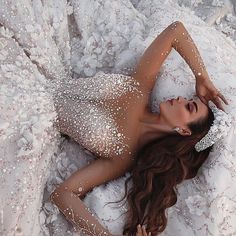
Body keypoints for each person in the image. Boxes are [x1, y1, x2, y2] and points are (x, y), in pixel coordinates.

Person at [49, 21, 231, 236]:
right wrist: (202, 77)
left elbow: (63, 194)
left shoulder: (124, 158)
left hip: (32, 116)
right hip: (41, 82)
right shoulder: (140, 88)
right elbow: (176, 31)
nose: (182, 98)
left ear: (183, 131)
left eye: (189, 106)